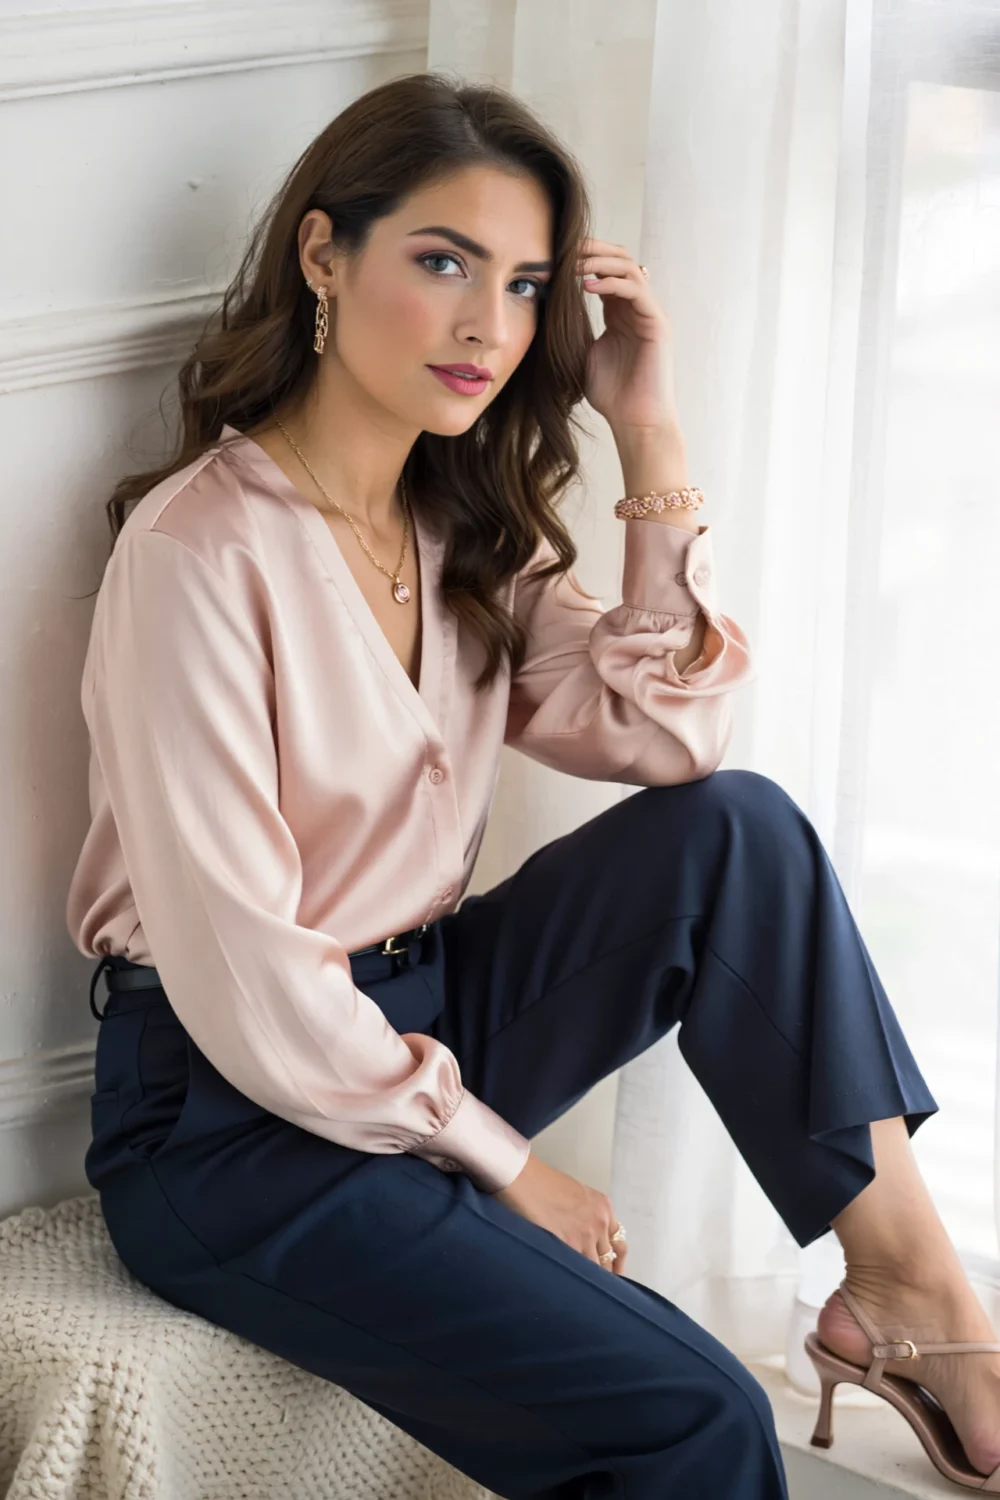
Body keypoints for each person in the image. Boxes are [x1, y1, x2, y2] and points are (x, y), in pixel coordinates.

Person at [65, 71, 999, 1499]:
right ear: (324, 254)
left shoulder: (455, 525)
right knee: (691, 1412)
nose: (486, 327)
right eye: (440, 262)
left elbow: (675, 747)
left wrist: (653, 438)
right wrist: (512, 1164)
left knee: (733, 836)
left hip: (421, 1015)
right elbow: (251, 986)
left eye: (523, 285)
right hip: (226, 1130)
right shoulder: (201, 558)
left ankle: (912, 1291)